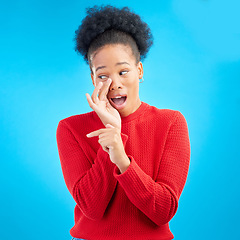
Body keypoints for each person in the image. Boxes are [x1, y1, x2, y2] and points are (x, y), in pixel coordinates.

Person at [56, 5, 190, 240]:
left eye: (123, 71)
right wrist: (111, 132)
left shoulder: (171, 123)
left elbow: (163, 211)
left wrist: (121, 157)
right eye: (103, 75)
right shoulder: (70, 129)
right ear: (92, 78)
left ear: (139, 70)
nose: (114, 83)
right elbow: (92, 208)